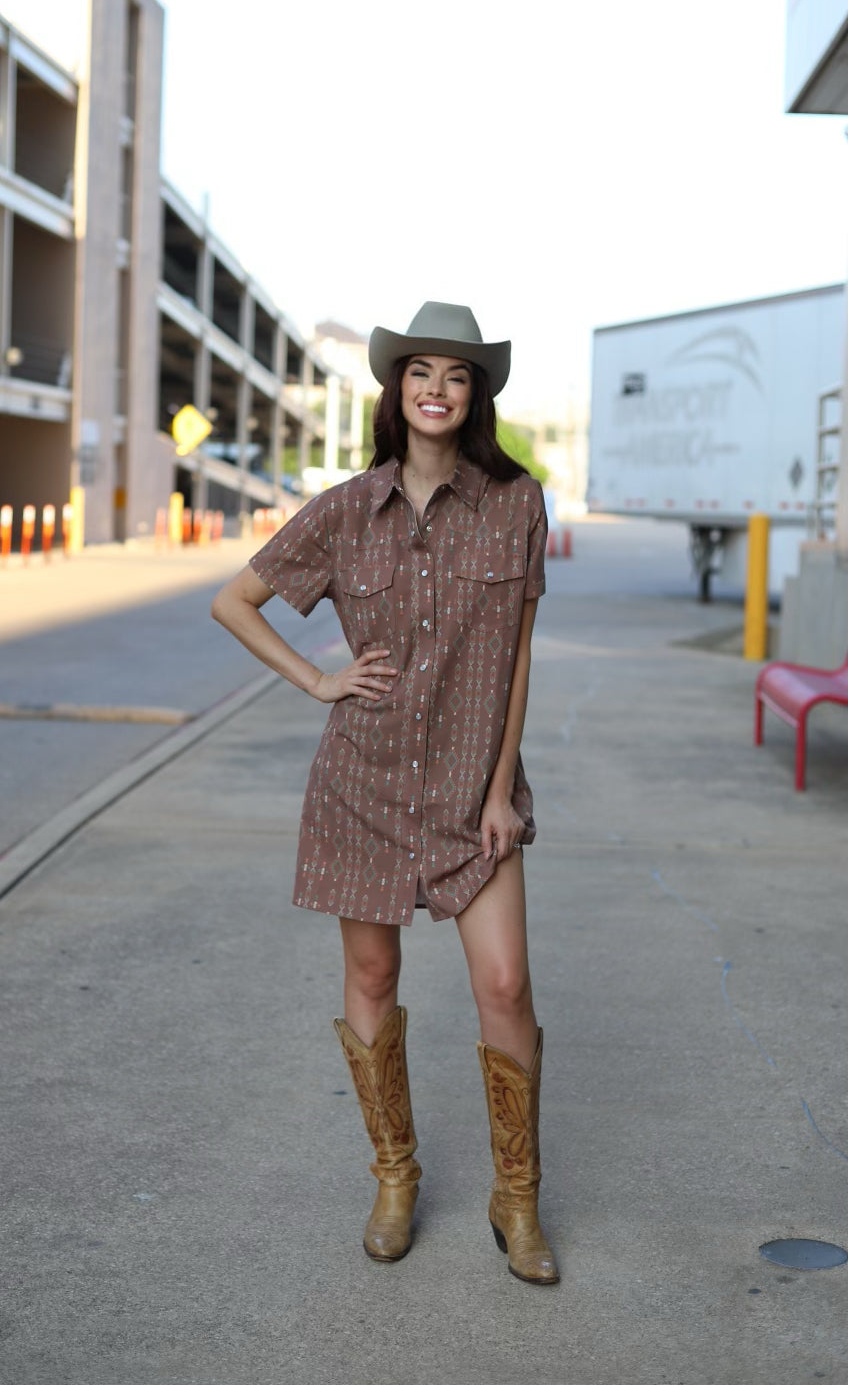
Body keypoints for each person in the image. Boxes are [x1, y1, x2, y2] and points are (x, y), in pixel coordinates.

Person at [211, 301, 558, 1285]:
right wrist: (320, 680)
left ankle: (517, 1197)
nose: (436, 389)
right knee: (370, 983)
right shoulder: (343, 509)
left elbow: (518, 653)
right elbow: (232, 600)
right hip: (359, 784)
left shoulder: (513, 502)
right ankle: (394, 1177)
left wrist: (500, 789)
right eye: (419, 373)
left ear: (472, 394)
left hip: (468, 791)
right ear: (395, 391)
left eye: (454, 375)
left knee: (504, 986)